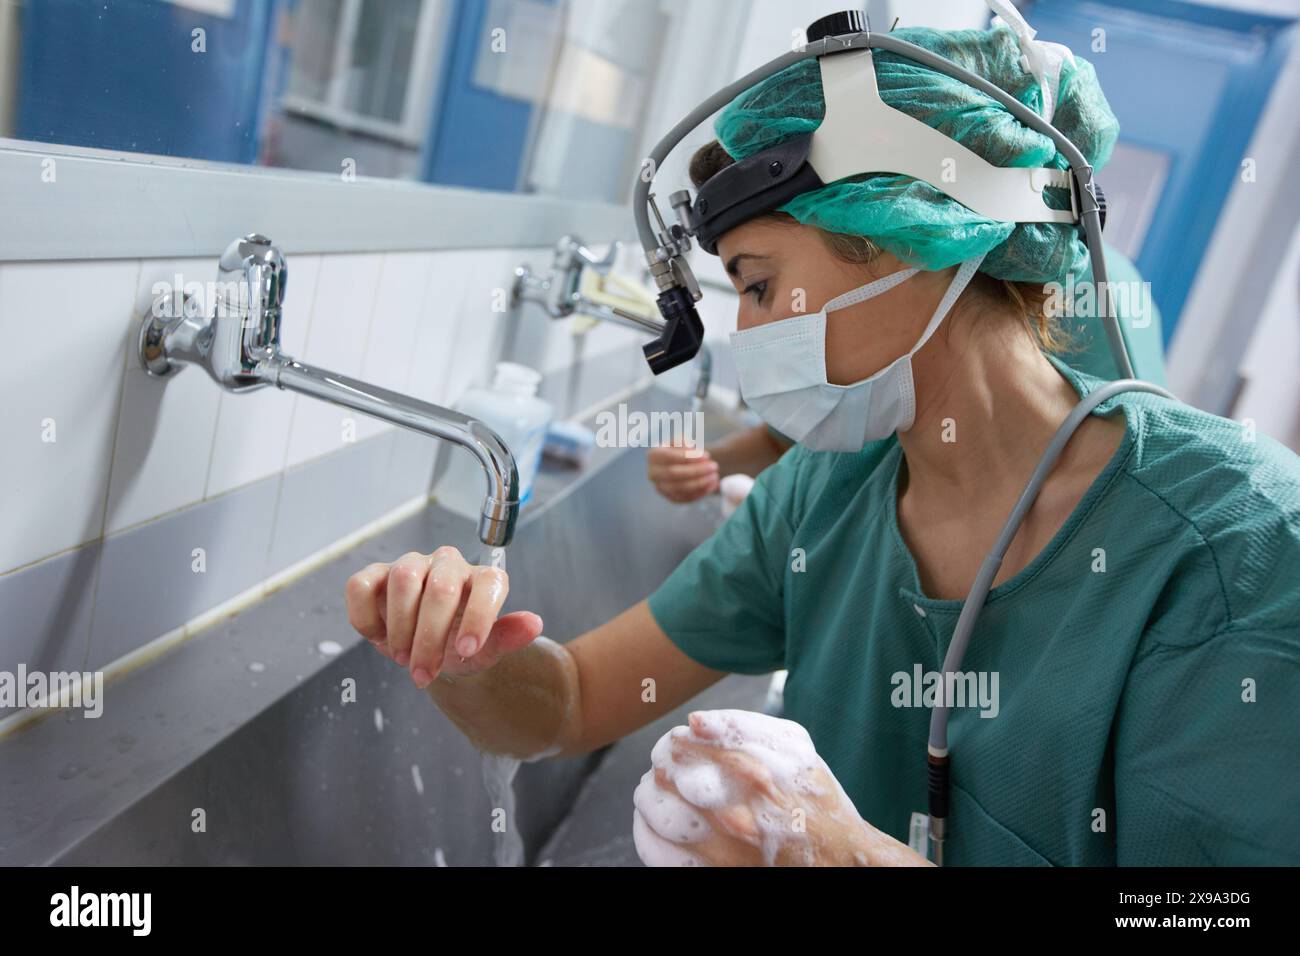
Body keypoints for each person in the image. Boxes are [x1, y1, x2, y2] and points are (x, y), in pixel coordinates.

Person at [344, 23, 1300, 865]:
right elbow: (570, 702)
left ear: (905, 232)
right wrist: (464, 654)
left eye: (758, 286)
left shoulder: (1238, 552)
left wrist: (839, 857)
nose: (749, 336)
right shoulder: (826, 493)